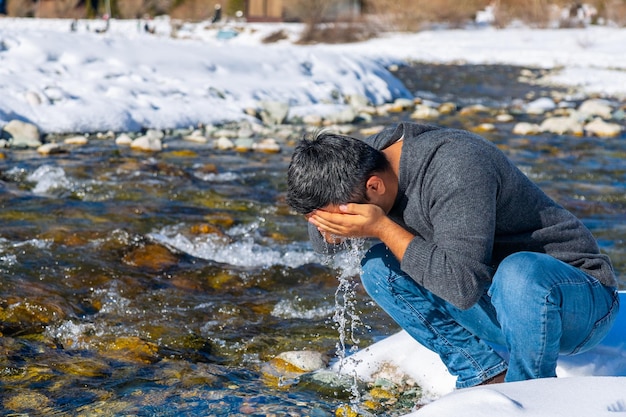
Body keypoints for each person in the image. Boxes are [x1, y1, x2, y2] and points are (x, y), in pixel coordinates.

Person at [286, 121, 619, 388]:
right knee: (379, 269)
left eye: (341, 214)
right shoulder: (358, 164)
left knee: (518, 270)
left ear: (374, 187)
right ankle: (484, 374)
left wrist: (383, 228)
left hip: (574, 308)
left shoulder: (456, 167)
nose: (340, 222)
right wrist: (326, 226)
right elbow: (324, 246)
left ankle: (527, 394)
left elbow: (463, 287)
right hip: (498, 305)